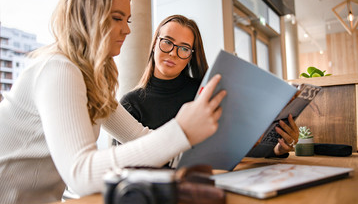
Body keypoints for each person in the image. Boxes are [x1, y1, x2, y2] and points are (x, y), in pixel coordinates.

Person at [0, 0, 226, 204]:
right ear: (87, 16)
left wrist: (205, 157)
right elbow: (81, 173)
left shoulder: (91, 79)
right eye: (117, 18)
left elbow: (139, 137)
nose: (127, 29)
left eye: (127, 20)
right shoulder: (58, 69)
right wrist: (181, 130)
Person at [118, 14, 299, 164]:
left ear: (190, 56)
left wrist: (276, 149)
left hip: (215, 183)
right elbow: (124, 165)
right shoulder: (131, 104)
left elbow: (232, 148)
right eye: (167, 42)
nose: (173, 52)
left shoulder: (205, 94)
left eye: (184, 48)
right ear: (155, 43)